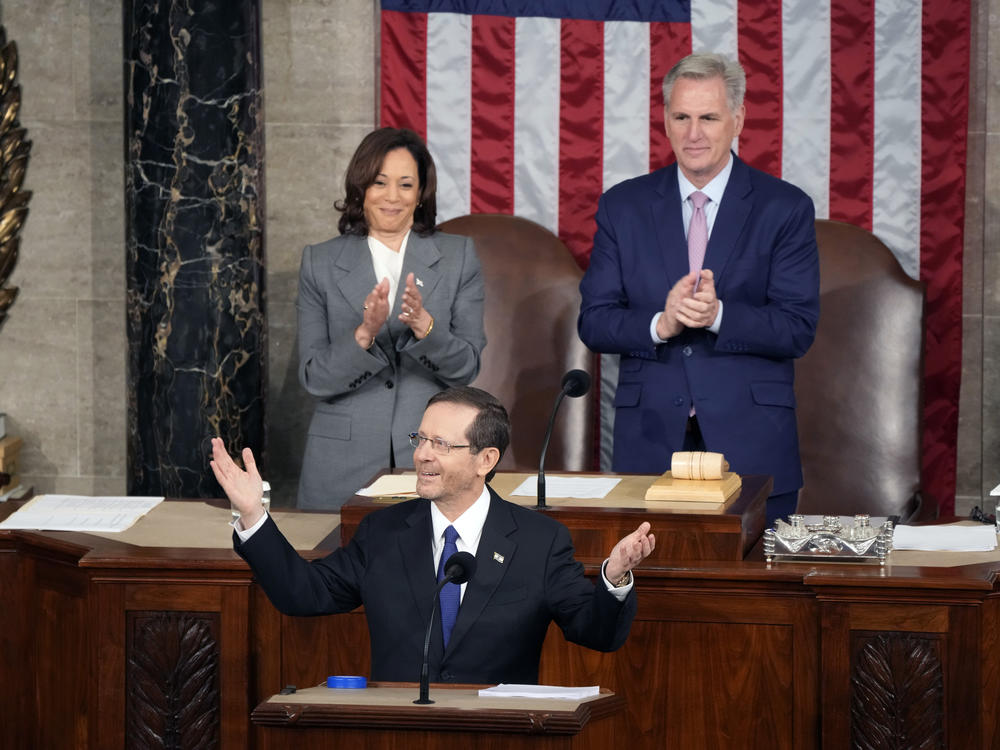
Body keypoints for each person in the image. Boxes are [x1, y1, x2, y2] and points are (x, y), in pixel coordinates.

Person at [211, 386, 655, 684]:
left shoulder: (539, 541)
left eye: (441, 444)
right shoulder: (383, 531)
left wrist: (613, 579)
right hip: (399, 733)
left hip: (499, 735)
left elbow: (595, 631)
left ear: (486, 459)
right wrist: (253, 515)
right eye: (420, 439)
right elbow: (303, 594)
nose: (422, 455)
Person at [577, 53, 820, 526]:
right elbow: (595, 320)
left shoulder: (784, 208)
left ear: (738, 119)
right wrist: (660, 323)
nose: (694, 133)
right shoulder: (622, 206)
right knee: (651, 594)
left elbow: (797, 327)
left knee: (754, 597)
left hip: (751, 444)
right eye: (682, 117)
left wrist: (719, 316)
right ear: (665, 121)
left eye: (708, 118)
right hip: (649, 443)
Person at [295, 127, 486, 510]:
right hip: (340, 463)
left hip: (433, 458)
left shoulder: (458, 256)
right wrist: (364, 333)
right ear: (361, 188)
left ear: (420, 194)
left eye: (405, 184)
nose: (392, 197)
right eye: (379, 183)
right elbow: (315, 377)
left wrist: (424, 326)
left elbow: (466, 367)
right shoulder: (319, 262)